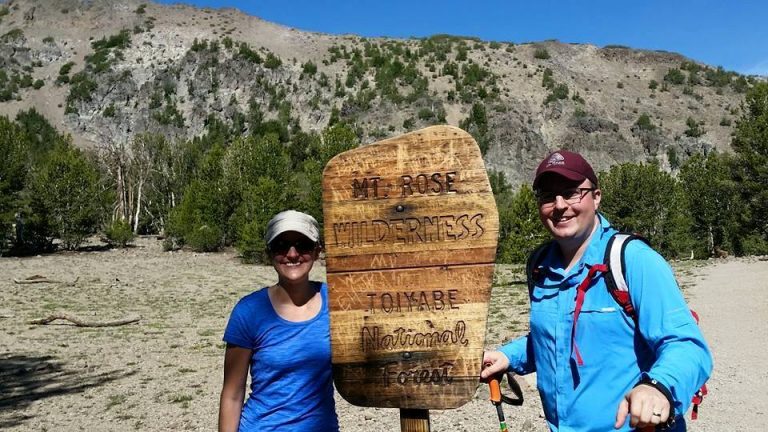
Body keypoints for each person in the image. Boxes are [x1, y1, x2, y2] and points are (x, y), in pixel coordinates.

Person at [481, 150, 712, 431]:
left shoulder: (633, 259)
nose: (559, 205)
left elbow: (688, 346)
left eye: (571, 193)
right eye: (547, 196)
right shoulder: (540, 266)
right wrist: (509, 356)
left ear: (597, 196)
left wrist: (657, 387)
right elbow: (557, 338)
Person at [218, 210, 339, 432]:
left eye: (302, 244)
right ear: (269, 253)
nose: (292, 254)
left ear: (317, 251)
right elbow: (232, 395)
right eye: (281, 245)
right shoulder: (249, 311)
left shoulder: (338, 302)